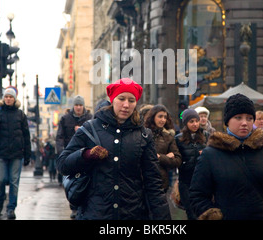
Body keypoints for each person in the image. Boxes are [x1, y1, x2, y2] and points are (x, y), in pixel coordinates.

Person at [57, 78, 171, 220]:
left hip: (132, 213)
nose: (126, 105)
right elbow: (63, 164)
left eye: (131, 100)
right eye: (121, 98)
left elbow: (153, 181)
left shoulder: (143, 135)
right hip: (95, 212)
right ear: (112, 100)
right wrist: (86, 155)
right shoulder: (89, 129)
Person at [190, 94, 263, 220]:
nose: (244, 123)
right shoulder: (211, 154)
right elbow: (197, 195)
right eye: (238, 117)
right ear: (227, 121)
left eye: (249, 118)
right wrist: (213, 216)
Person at [0, 87, 31, 220]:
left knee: (14, 182)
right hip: (1, 154)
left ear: (14, 99)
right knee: (0, 180)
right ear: (3, 99)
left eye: (11, 97)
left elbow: (26, 136)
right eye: (6, 97)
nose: (8, 99)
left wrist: (27, 155)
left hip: (17, 155)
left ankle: (11, 208)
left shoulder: (21, 115)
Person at [55, 95, 92, 218]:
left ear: (83, 106)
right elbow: (59, 136)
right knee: (72, 181)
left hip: (84, 154)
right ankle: (74, 207)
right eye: (76, 105)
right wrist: (62, 151)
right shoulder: (65, 118)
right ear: (73, 106)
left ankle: (83, 205)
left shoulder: (89, 118)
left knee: (84, 179)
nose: (78, 107)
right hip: (70, 154)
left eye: (80, 105)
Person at [175, 108, 208, 220]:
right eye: (191, 121)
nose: (195, 124)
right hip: (186, 181)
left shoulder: (206, 136)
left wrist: (205, 154)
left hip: (203, 180)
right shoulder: (178, 139)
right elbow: (177, 159)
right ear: (186, 123)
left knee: (203, 212)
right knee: (191, 213)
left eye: (196, 121)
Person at [144, 104, 182, 192]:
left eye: (165, 117)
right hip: (144, 181)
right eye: (160, 116)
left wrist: (161, 157)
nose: (163, 120)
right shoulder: (144, 134)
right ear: (153, 117)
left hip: (161, 183)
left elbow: (177, 160)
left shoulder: (168, 136)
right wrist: (166, 156)